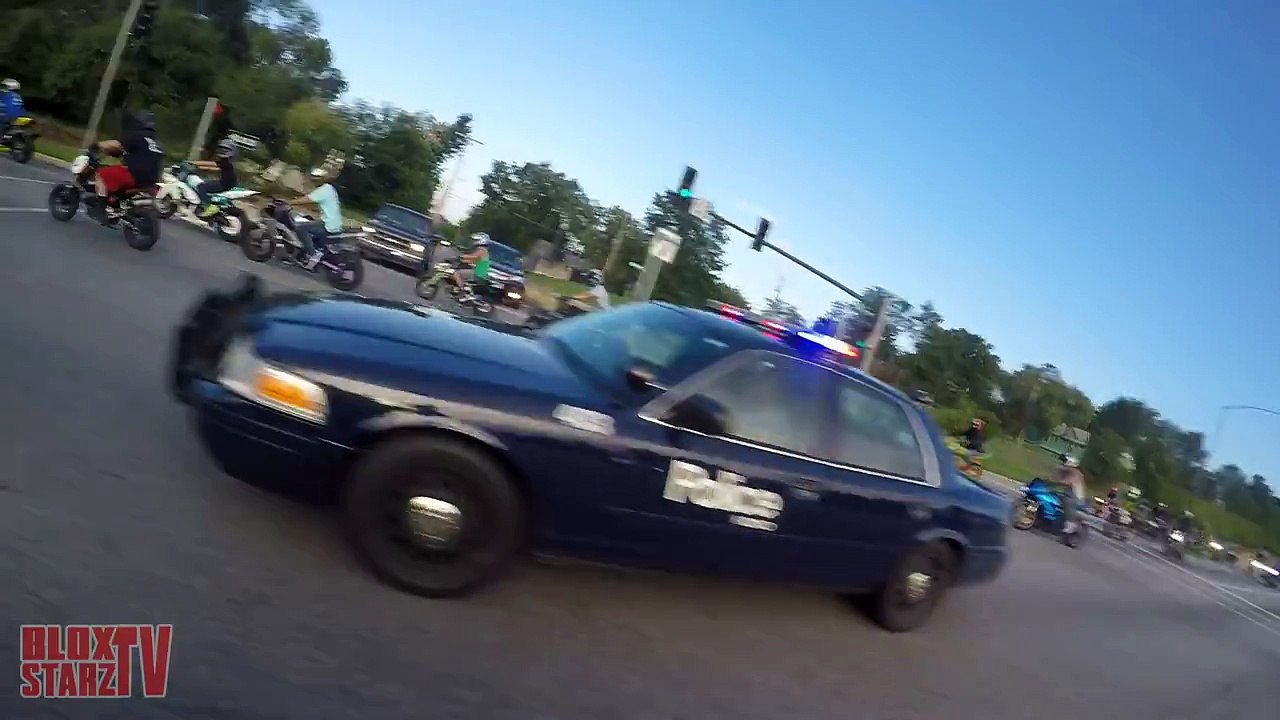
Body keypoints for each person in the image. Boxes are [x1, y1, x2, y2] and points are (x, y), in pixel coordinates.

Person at [91, 110, 164, 221]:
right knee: (119, 176)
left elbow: (116, 144)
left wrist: (97, 145)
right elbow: (139, 153)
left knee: (101, 173)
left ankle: (100, 209)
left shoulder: (137, 135)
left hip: (135, 174)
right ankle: (117, 204)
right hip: (152, 179)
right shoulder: (156, 141)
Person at [288, 167, 344, 270]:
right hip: (335, 224)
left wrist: (290, 202)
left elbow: (308, 199)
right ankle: (304, 256)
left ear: (322, 179)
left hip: (328, 224)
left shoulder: (324, 189)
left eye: (316, 178)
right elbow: (314, 203)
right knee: (309, 224)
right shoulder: (330, 189)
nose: (314, 180)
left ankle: (312, 254)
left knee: (300, 228)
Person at [192, 139, 240, 218]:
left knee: (202, 186)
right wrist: (199, 167)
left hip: (224, 184)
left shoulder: (224, 161)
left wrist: (193, 163)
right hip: (228, 182)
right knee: (206, 182)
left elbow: (212, 164)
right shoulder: (227, 162)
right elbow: (214, 168)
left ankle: (206, 205)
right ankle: (210, 202)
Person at [1051, 454, 1087, 534]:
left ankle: (1071, 524)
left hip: (1075, 496)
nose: (1061, 463)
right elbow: (1055, 479)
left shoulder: (1076, 473)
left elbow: (1069, 483)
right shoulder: (1063, 471)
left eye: (1064, 461)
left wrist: (1058, 482)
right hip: (1065, 493)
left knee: (1067, 501)